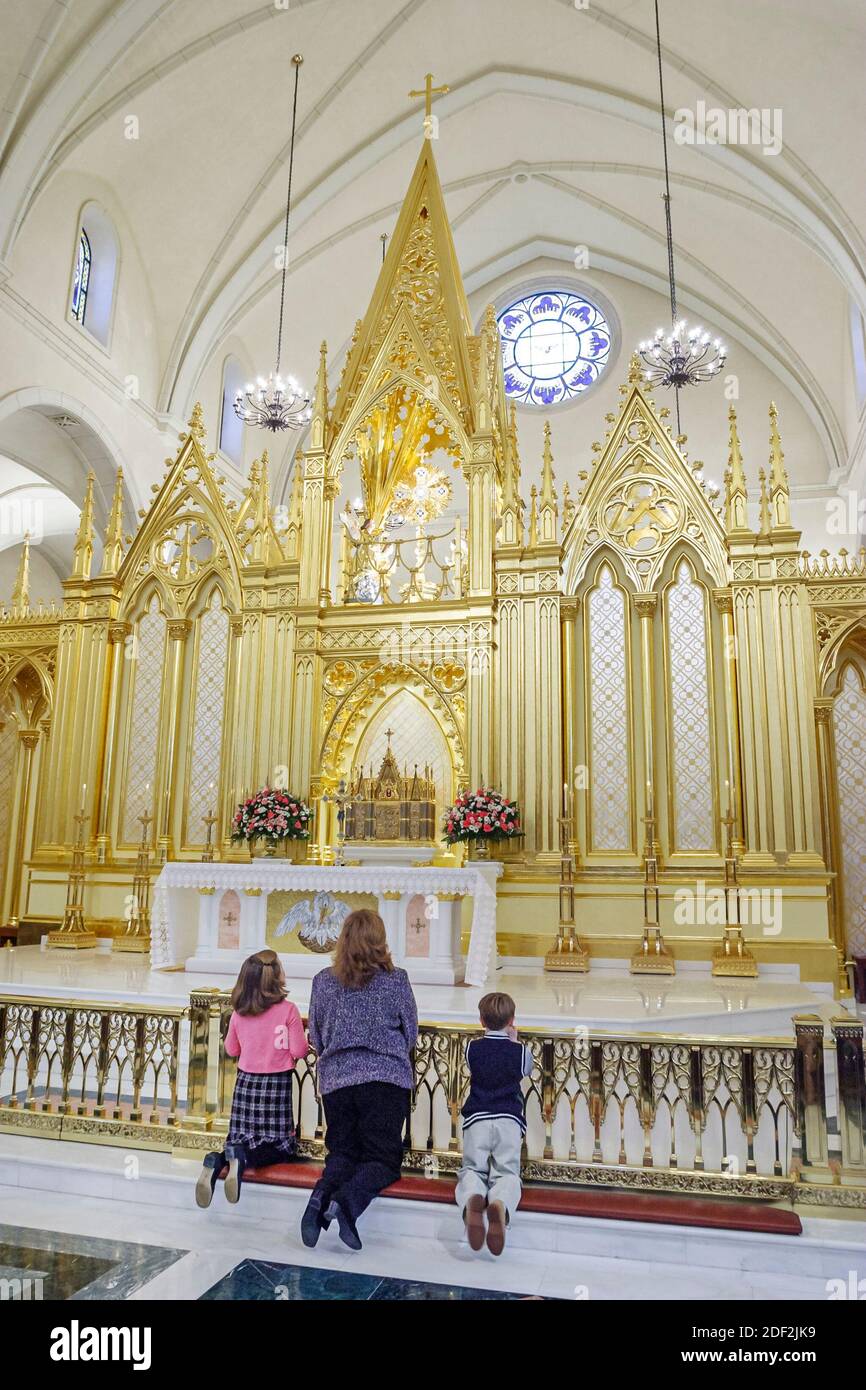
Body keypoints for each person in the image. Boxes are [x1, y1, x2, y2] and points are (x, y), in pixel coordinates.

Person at [301, 909, 418, 1251]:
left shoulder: (323, 980)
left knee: (342, 1154)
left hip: (337, 1081)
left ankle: (318, 1201)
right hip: (384, 1080)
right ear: (380, 941)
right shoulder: (396, 980)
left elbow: (317, 1037)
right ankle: (345, 1205)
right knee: (381, 1160)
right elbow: (409, 1033)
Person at [195, 949, 307, 1209]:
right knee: (279, 1146)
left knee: (243, 1137)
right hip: (276, 1084)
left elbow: (232, 1050)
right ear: (277, 977)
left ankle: (216, 1160)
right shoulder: (288, 1010)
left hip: (246, 1084)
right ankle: (240, 1158)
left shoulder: (239, 1013)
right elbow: (299, 1051)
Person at [455, 991, 532, 1256]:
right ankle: (500, 1205)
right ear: (512, 1019)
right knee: (507, 1172)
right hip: (508, 1119)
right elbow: (526, 1069)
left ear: (480, 1020)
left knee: (472, 1169)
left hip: (477, 1118)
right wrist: (515, 1041)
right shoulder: (519, 1052)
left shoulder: (471, 1049)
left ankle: (472, 1202)